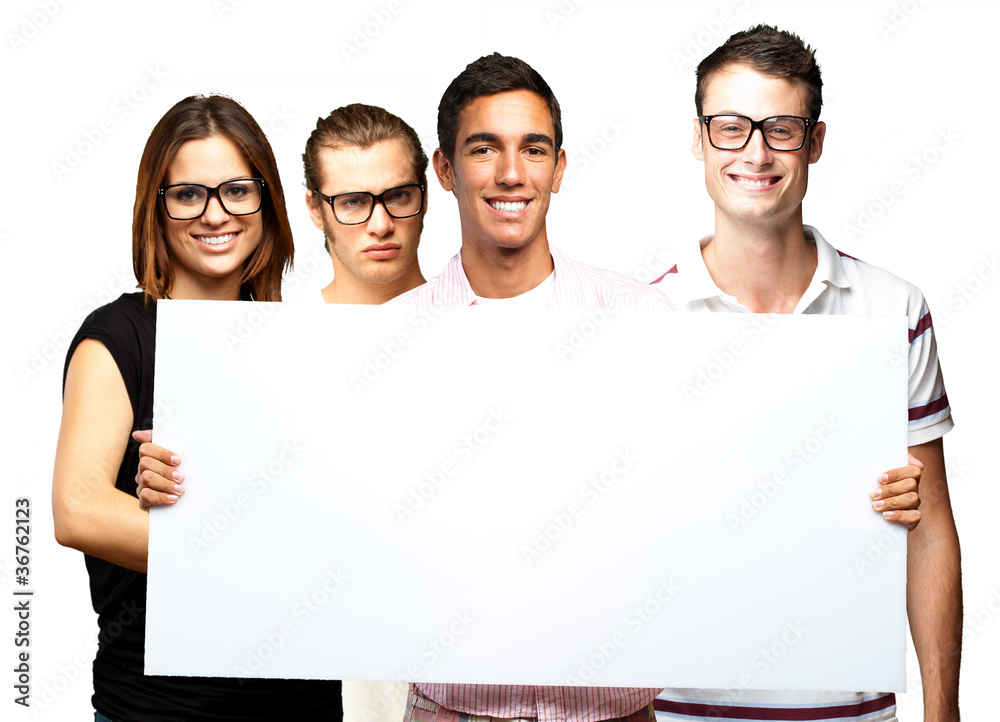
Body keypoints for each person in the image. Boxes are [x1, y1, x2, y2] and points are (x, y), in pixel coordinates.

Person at [649, 25, 960, 722]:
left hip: (853, 712)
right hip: (678, 713)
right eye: (730, 128)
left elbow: (931, 525)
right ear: (698, 140)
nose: (755, 152)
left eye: (780, 129)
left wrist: (944, 712)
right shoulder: (645, 318)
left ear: (814, 142)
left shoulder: (894, 308)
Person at [52, 94, 343, 721]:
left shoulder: (307, 345)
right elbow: (77, 508)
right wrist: (263, 549)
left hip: (304, 704)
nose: (215, 214)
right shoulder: (119, 336)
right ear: (156, 208)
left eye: (238, 190)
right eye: (188, 194)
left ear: (266, 203)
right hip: (163, 710)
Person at [135, 101, 428, 722]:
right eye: (351, 202)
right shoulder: (253, 351)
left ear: (424, 194)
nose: (379, 223)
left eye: (397, 195)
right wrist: (167, 484)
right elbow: (230, 528)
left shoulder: (487, 329)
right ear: (313, 208)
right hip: (318, 691)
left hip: (468, 683)